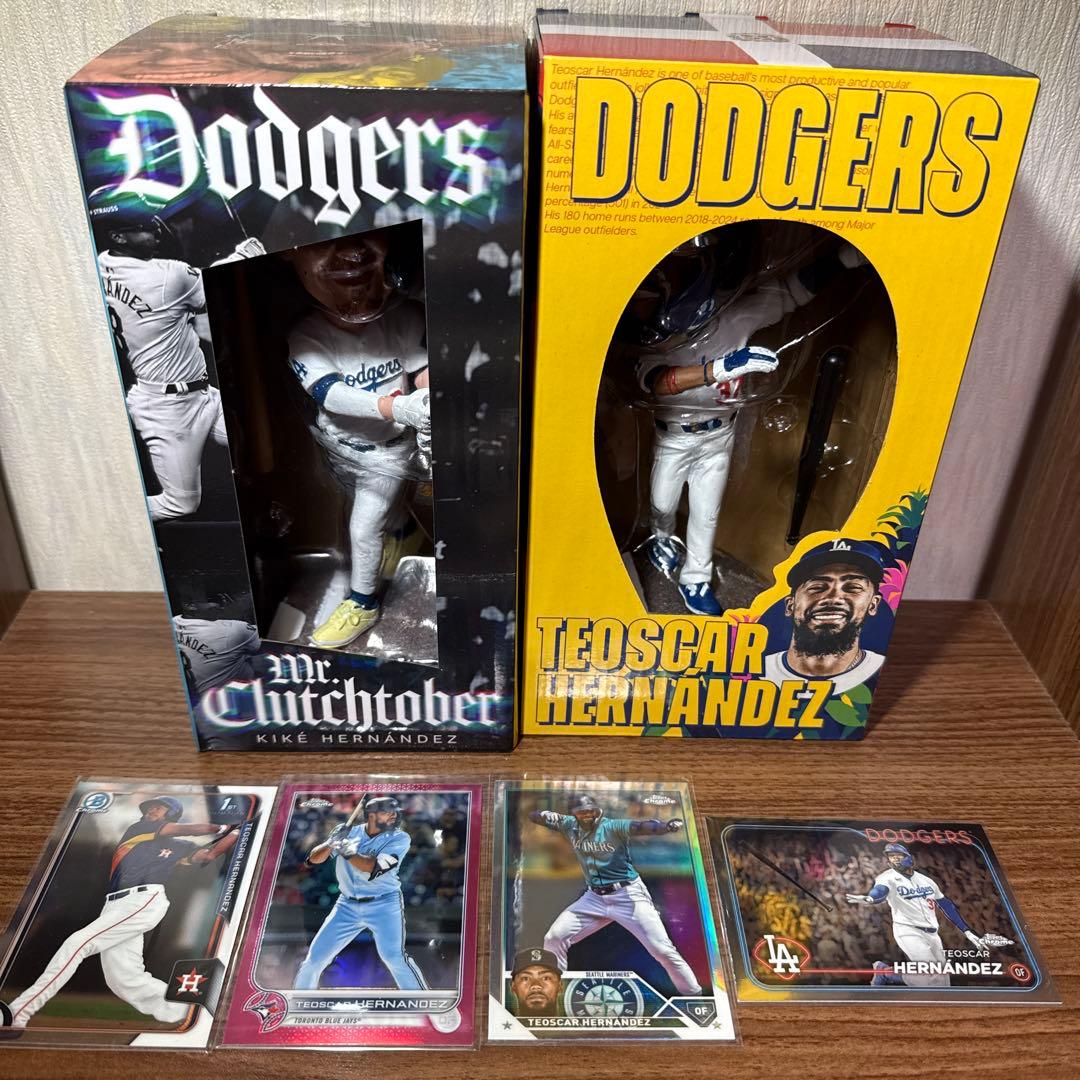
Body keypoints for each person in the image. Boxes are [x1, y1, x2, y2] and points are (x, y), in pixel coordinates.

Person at [284, 231, 429, 648]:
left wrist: (428, 403)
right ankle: (401, 539)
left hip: (393, 451)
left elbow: (420, 369)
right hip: (346, 452)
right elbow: (330, 394)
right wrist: (396, 408)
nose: (351, 255)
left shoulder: (402, 317)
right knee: (376, 517)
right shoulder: (307, 335)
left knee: (364, 528)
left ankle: (363, 603)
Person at [3, 797, 235, 1030]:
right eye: (150, 807)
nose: (152, 809)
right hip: (116, 904)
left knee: (77, 943)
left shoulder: (178, 846)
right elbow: (188, 829)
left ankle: (18, 1013)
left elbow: (208, 855)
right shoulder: (139, 829)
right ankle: (193, 1011)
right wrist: (221, 827)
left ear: (170, 814)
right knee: (123, 980)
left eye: (159, 808)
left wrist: (236, 834)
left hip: (144, 899)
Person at [294, 795, 459, 1032]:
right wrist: (331, 843)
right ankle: (299, 1007)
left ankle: (428, 1008)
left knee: (394, 957)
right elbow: (312, 860)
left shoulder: (400, 838)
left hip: (383, 903)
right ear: (371, 815)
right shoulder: (348, 831)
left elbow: (373, 868)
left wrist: (348, 851)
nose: (393, 816)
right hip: (346, 905)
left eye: (394, 812)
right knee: (314, 959)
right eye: (387, 812)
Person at [530, 794, 702, 995]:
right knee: (554, 937)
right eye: (581, 812)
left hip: (628, 895)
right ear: (574, 814)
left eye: (590, 810)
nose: (587, 815)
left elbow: (641, 827)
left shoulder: (612, 826)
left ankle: (694, 995)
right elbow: (535, 816)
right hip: (594, 898)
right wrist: (545, 814)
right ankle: (554, 994)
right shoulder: (569, 824)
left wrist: (666, 827)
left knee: (662, 950)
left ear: (598, 810)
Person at [762, 538, 887, 696]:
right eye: (817, 587)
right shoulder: (755, 671)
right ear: (790, 605)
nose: (833, 598)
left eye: (852, 587)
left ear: (873, 605)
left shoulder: (883, 674)